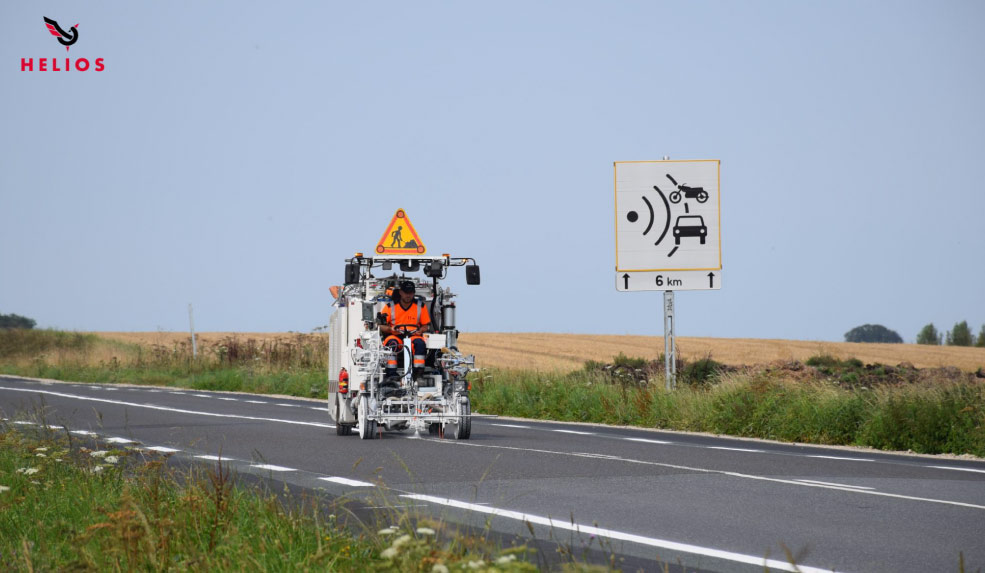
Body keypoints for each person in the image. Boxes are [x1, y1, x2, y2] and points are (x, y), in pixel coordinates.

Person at [380, 280, 431, 378]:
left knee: (420, 344)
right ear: (400, 292)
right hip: (396, 335)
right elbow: (380, 326)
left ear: (414, 293)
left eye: (411, 293)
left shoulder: (420, 306)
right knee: (391, 343)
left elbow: (426, 325)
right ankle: (391, 373)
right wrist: (391, 330)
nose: (408, 295)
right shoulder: (390, 307)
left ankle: (418, 372)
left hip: (413, 336)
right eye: (406, 292)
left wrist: (421, 330)